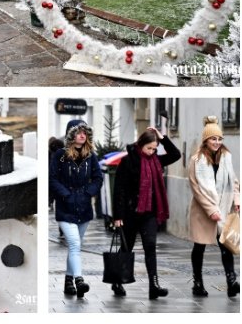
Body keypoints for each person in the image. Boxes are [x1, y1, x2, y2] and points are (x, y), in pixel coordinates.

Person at [112, 126, 181, 300]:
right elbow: (119, 189)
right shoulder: (128, 161)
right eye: (149, 148)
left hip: (150, 213)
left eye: (154, 149)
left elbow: (176, 155)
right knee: (126, 247)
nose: (151, 152)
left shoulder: (157, 160)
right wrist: (118, 216)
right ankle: (117, 280)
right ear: (140, 144)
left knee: (150, 246)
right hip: (130, 213)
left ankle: (154, 285)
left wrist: (162, 137)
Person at [49, 120, 102, 298]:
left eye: (85, 132)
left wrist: (88, 194)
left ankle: (67, 282)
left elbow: (98, 178)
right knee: (74, 244)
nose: (82, 135)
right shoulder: (61, 155)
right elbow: (53, 178)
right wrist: (66, 195)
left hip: (84, 208)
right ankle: (79, 279)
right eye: (78, 132)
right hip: (66, 207)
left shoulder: (90, 156)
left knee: (74, 247)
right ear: (71, 135)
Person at [188, 116, 240, 297]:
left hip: (224, 208)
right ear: (205, 140)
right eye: (213, 138)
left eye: (219, 139)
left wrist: (237, 200)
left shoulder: (226, 157)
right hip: (203, 211)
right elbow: (196, 188)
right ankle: (197, 283)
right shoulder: (197, 160)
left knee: (226, 246)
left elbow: (233, 180)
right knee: (199, 247)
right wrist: (211, 210)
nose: (217, 142)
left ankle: (231, 281)